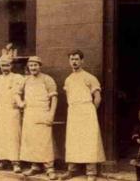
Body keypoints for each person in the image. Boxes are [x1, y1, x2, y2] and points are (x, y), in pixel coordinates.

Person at [60, 50, 105, 181]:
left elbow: (97, 97)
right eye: (72, 59)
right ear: (69, 61)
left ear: (82, 61)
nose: (74, 62)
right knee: (73, 140)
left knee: (89, 140)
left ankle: (91, 172)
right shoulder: (68, 79)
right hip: (74, 111)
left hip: (87, 110)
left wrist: (91, 112)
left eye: (77, 59)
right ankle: (71, 170)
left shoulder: (89, 77)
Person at [19, 56, 58, 180]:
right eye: (31, 65)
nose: (33, 68)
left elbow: (54, 98)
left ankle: (49, 168)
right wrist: (20, 102)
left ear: (40, 66)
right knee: (31, 140)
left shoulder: (47, 79)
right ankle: (35, 166)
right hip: (30, 113)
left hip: (43, 112)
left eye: (35, 65)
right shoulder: (26, 80)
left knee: (45, 141)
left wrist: (51, 114)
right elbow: (16, 93)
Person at [0, 55, 24, 173]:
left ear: (12, 65)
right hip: (1, 111)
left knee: (13, 135)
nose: (5, 67)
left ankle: (16, 162)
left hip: (12, 111)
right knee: (1, 136)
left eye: (7, 65)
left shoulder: (17, 78)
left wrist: (20, 104)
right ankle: (2, 160)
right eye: (3, 65)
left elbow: (18, 93)